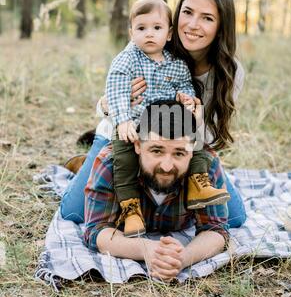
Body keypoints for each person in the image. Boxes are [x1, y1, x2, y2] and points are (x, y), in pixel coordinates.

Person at [61, 0, 246, 229]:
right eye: (188, 12)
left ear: (221, 25)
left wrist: (197, 123)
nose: (193, 25)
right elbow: (110, 96)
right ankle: (93, 165)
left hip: (182, 148)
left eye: (207, 18)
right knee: (74, 213)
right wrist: (109, 106)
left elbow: (210, 137)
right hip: (125, 136)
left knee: (234, 218)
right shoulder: (149, 39)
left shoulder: (229, 71)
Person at [105, 0, 229, 238]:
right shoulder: (127, 59)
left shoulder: (176, 63)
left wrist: (187, 99)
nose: (149, 34)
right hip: (135, 125)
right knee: (124, 161)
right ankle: (130, 209)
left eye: (157, 28)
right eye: (141, 28)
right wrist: (122, 119)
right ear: (131, 32)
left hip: (170, 127)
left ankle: (198, 184)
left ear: (169, 34)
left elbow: (185, 86)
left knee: (197, 147)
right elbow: (115, 90)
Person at [84, 100, 229, 281]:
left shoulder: (206, 164)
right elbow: (96, 230)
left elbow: (216, 229)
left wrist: (181, 258)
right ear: (137, 145)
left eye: (179, 153)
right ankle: (82, 162)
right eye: (157, 151)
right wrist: (146, 249)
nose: (167, 167)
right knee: (71, 212)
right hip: (112, 153)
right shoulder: (111, 163)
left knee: (237, 217)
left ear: (193, 150)